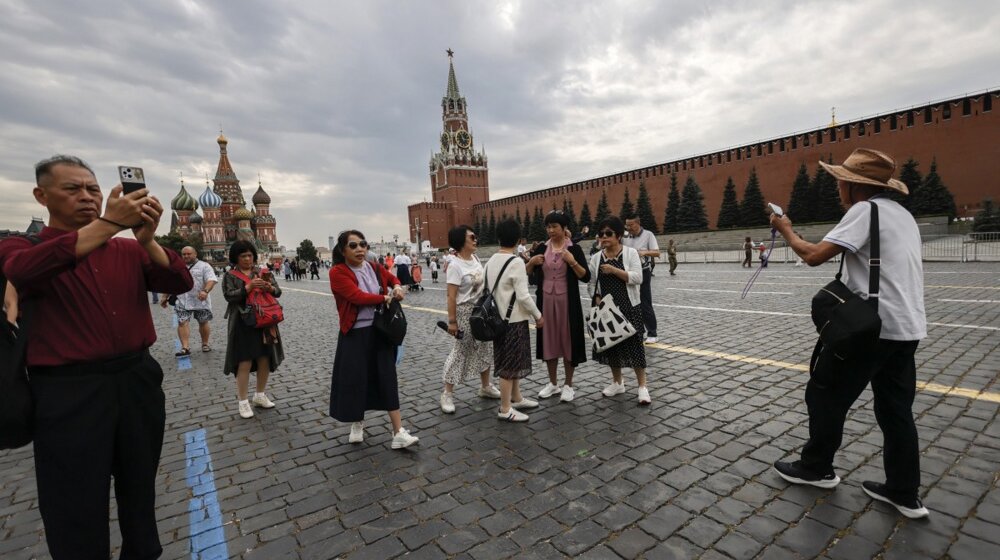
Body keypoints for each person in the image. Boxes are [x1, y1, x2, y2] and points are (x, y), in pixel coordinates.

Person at [0, 154, 193, 558]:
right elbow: (22, 271)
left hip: (136, 381)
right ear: (41, 195)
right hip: (69, 392)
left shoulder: (126, 250)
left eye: (93, 189)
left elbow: (179, 280)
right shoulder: (21, 246)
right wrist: (108, 224)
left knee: (139, 484)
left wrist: (147, 240)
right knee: (74, 499)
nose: (87, 197)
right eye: (73, 189)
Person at [771, 148, 929, 519]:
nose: (838, 187)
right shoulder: (903, 215)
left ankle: (816, 468)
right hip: (907, 328)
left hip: (870, 328)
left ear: (854, 185)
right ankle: (904, 493)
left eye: (841, 181)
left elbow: (813, 255)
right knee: (896, 412)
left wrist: (785, 228)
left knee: (825, 394)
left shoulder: (864, 211)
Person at [328, 230, 419, 448]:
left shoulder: (373, 267)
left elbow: (392, 277)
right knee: (356, 379)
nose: (360, 249)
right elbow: (356, 296)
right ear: (343, 250)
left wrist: (397, 286)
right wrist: (384, 297)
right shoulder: (337, 272)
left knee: (387, 378)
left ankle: (398, 432)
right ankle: (357, 422)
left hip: (379, 331)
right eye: (353, 245)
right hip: (355, 333)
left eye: (363, 244)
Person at [525, 211, 591, 402]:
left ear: (564, 228)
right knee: (549, 341)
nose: (551, 230)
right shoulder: (541, 248)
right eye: (548, 227)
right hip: (545, 302)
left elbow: (585, 276)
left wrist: (572, 262)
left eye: (554, 226)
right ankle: (553, 383)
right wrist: (531, 263)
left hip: (567, 303)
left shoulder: (574, 249)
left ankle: (568, 385)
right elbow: (528, 275)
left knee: (568, 340)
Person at [588, 216, 651, 405]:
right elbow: (591, 284)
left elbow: (638, 278)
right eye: (601, 234)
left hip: (629, 307)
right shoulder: (596, 258)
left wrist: (615, 271)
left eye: (608, 233)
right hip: (608, 309)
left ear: (618, 236)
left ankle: (642, 386)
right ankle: (617, 382)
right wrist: (596, 298)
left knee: (636, 347)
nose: (604, 237)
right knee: (612, 346)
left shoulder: (630, 253)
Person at [486, 219, 544, 421]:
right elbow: (524, 296)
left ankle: (516, 397)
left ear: (498, 238)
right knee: (510, 365)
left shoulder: (491, 261)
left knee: (509, 360)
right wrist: (538, 315)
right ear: (519, 239)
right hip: (514, 321)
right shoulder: (516, 262)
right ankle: (505, 408)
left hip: (497, 321)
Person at [440, 225, 500, 413]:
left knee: (485, 346)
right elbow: (451, 296)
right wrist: (452, 322)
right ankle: (447, 394)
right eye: (472, 237)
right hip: (464, 312)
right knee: (461, 350)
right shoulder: (455, 265)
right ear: (461, 241)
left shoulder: (475, 258)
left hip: (481, 311)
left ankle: (485, 386)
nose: (476, 240)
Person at [222, 240, 284, 419]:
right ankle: (243, 401)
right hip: (243, 323)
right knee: (245, 361)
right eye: (243, 256)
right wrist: (248, 287)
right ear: (236, 258)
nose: (247, 259)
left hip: (265, 321)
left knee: (264, 358)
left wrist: (269, 287)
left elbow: (278, 292)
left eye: (250, 255)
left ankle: (260, 395)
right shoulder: (230, 276)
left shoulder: (263, 272)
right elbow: (228, 296)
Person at [162, 245, 218, 355]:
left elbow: (211, 279)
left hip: (200, 300)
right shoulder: (176, 267)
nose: (186, 256)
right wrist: (165, 297)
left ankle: (205, 344)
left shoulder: (204, 266)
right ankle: (185, 347)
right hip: (182, 299)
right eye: (184, 254)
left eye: (189, 254)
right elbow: (170, 283)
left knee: (203, 322)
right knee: (182, 322)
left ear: (195, 254)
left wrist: (205, 291)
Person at [623, 214, 660, 343]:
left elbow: (657, 252)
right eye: (627, 225)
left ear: (638, 223)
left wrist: (643, 252)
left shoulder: (648, 235)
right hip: (628, 272)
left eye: (631, 225)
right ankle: (639, 331)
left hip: (643, 271)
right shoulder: (625, 237)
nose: (628, 228)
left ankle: (652, 333)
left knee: (645, 302)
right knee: (631, 302)